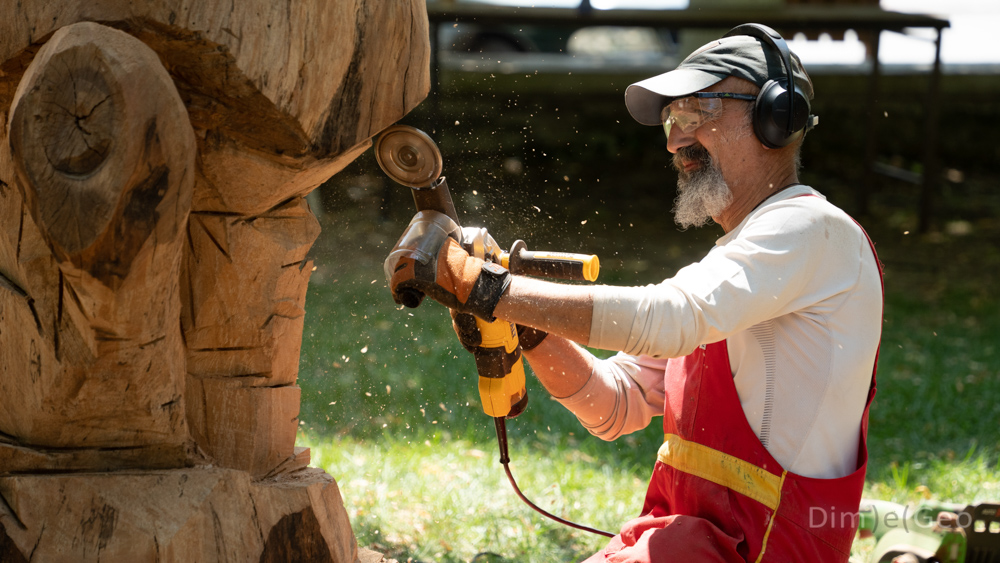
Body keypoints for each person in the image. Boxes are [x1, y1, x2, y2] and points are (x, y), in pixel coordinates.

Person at [386, 23, 883, 562]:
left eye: (696, 113)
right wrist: (529, 328)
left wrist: (485, 287)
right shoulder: (740, 267)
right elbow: (613, 405)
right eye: (671, 120)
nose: (674, 139)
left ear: (775, 117)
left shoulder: (812, 230)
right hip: (694, 546)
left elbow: (667, 318)